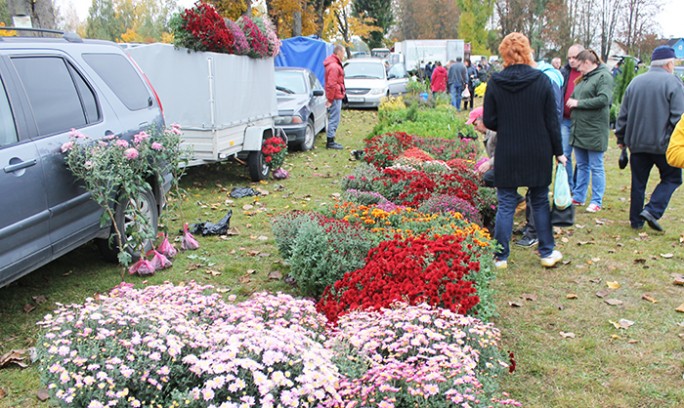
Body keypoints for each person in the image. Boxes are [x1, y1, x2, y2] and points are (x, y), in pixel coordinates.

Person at [483, 32, 566, 269]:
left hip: (508, 149)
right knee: (539, 200)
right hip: (538, 150)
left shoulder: (496, 81)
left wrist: (508, 124)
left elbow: (489, 120)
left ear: (504, 53)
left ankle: (500, 256)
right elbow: (552, 120)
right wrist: (559, 152)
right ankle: (547, 253)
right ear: (528, 51)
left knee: (506, 202)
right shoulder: (541, 80)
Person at [615, 45, 684, 231]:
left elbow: (623, 114)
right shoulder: (674, 83)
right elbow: (679, 118)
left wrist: (621, 137)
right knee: (673, 178)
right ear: (669, 63)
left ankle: (636, 221)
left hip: (636, 144)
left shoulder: (635, 82)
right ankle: (653, 210)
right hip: (663, 145)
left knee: (638, 183)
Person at [516, 57, 565, 248]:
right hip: (536, 141)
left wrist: (556, 149)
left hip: (541, 143)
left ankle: (535, 232)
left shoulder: (546, 80)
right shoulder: (543, 78)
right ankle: (531, 226)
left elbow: (553, 116)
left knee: (537, 192)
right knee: (533, 189)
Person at [566, 49, 613, 213]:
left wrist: (579, 104)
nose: (578, 70)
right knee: (582, 165)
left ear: (587, 62)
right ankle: (579, 196)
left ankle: (596, 200)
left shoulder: (603, 77)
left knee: (596, 166)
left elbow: (604, 99)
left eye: (580, 66)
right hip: (579, 130)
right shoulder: (584, 79)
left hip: (594, 130)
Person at [560, 44, 585, 191]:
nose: (571, 61)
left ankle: (578, 187)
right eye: (569, 57)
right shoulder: (564, 73)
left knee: (582, 159)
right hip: (565, 119)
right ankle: (568, 185)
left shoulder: (588, 74)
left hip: (581, 121)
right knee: (564, 154)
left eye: (574, 57)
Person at [323, 45, 346, 150]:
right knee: (334, 118)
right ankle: (330, 141)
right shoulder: (334, 67)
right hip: (335, 96)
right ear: (339, 52)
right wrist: (330, 99)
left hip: (336, 94)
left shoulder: (333, 64)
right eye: (343, 52)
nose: (344, 55)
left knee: (334, 118)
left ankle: (331, 139)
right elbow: (331, 84)